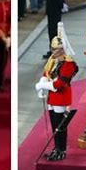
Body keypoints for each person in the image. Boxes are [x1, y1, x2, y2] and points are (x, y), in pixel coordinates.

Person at [35, 22, 78, 161]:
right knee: (54, 125)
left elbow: (59, 83)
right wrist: (42, 83)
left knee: (60, 126)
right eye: (53, 49)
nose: (54, 52)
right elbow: (46, 73)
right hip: (52, 98)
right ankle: (56, 147)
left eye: (57, 49)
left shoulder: (68, 64)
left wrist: (43, 86)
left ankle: (61, 149)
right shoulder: (53, 60)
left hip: (61, 97)